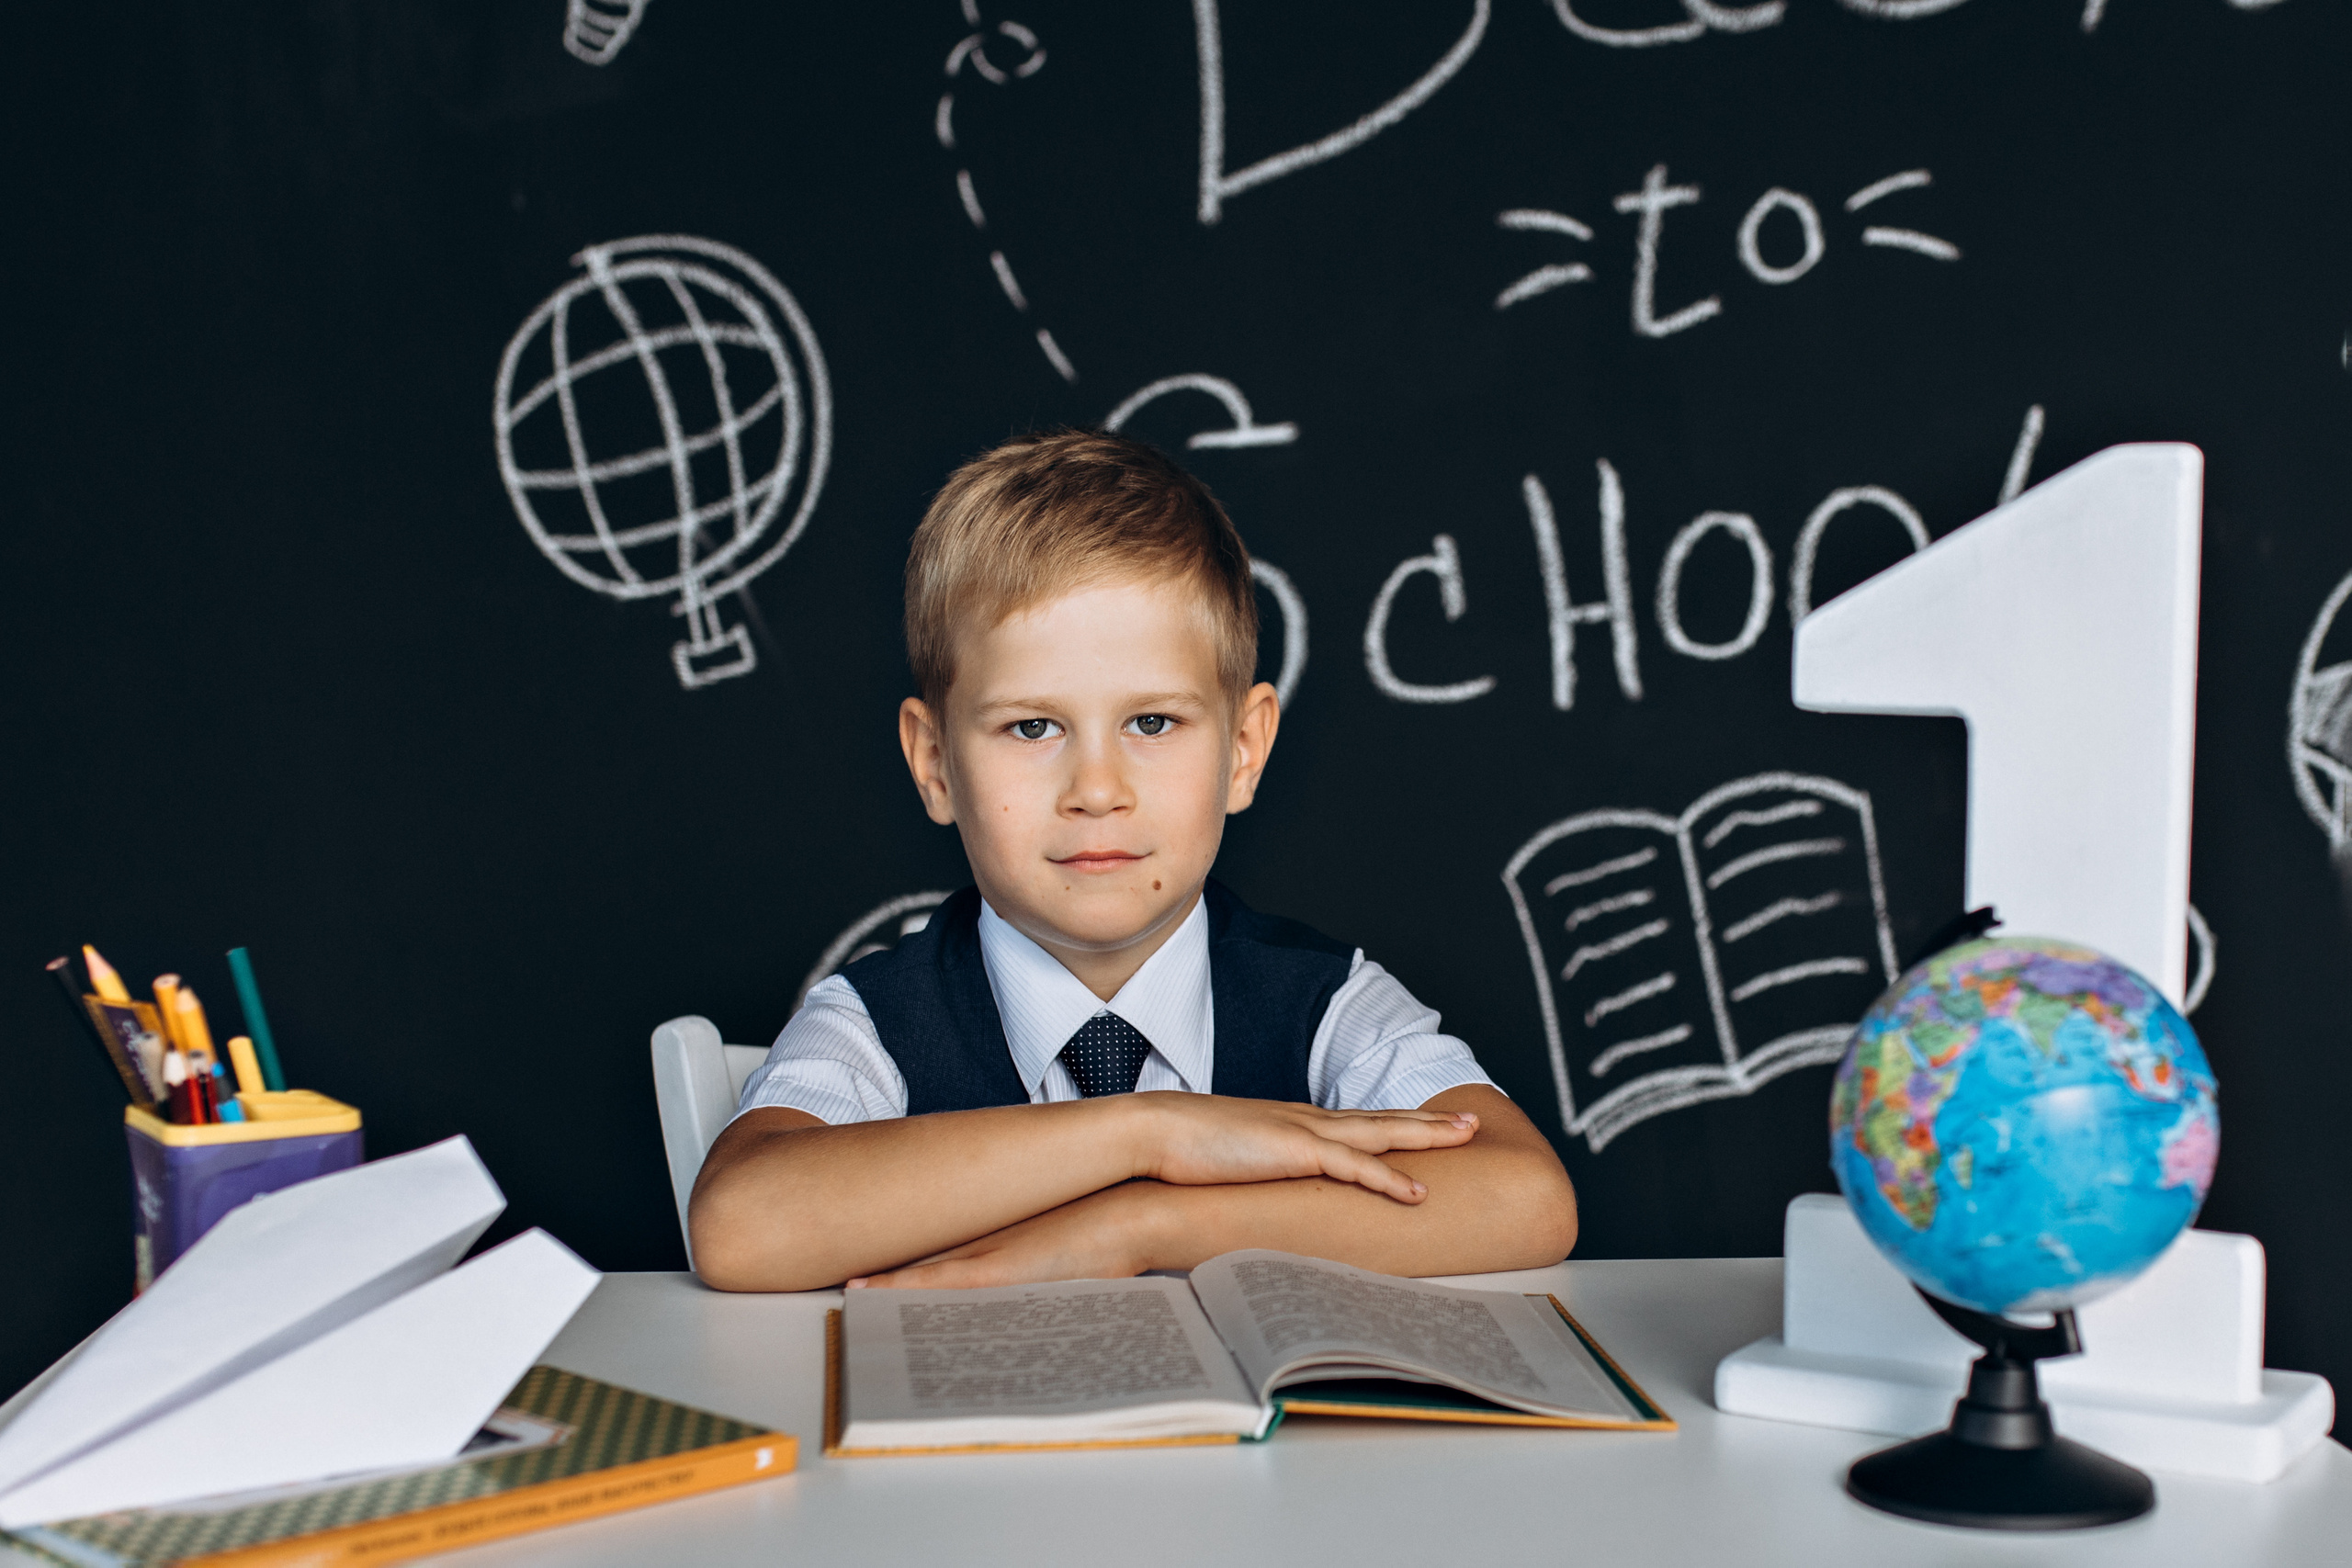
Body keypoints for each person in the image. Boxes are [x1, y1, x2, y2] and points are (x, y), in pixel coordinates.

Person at [690, 431, 1577, 1292]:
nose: (1098, 788)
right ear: (935, 766)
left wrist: (1142, 1225)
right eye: (1032, 727)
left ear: (1243, 750)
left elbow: (1524, 1197)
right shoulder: (881, 1020)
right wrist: (1148, 1133)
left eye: (1152, 722)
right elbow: (741, 1226)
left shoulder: (1321, 1000)